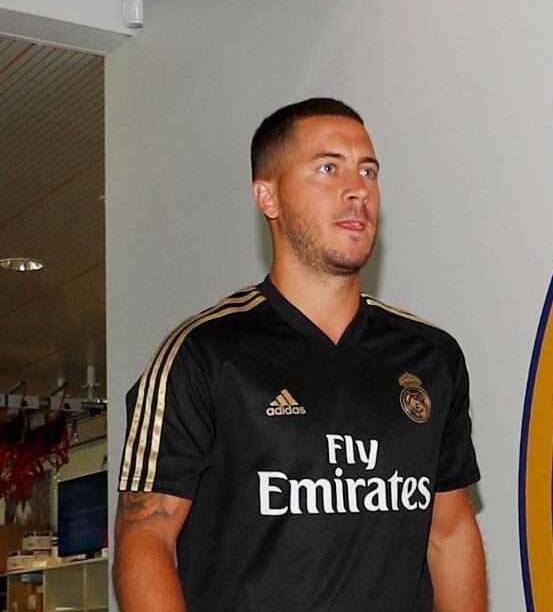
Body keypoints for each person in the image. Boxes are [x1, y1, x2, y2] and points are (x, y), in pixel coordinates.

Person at [113, 98, 486, 611]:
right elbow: (145, 538)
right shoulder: (203, 354)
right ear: (268, 196)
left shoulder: (431, 356)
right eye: (328, 168)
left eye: (368, 171)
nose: (358, 189)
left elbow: (450, 532)